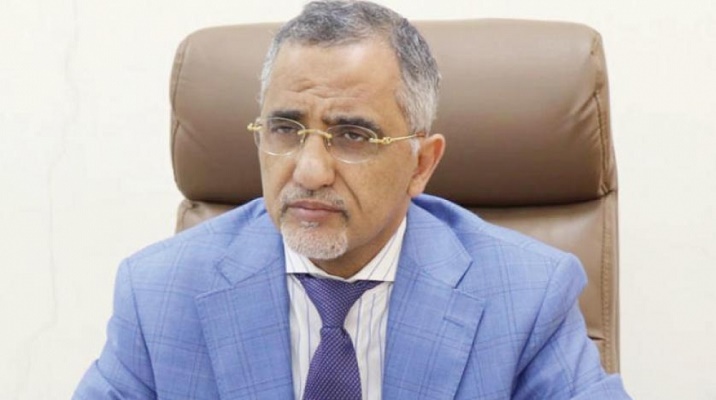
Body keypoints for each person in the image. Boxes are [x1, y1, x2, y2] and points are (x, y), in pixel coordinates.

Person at [74, 1, 631, 399]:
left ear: (421, 163)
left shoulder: (527, 297)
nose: (309, 171)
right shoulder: (159, 294)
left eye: (353, 135)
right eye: (285, 129)